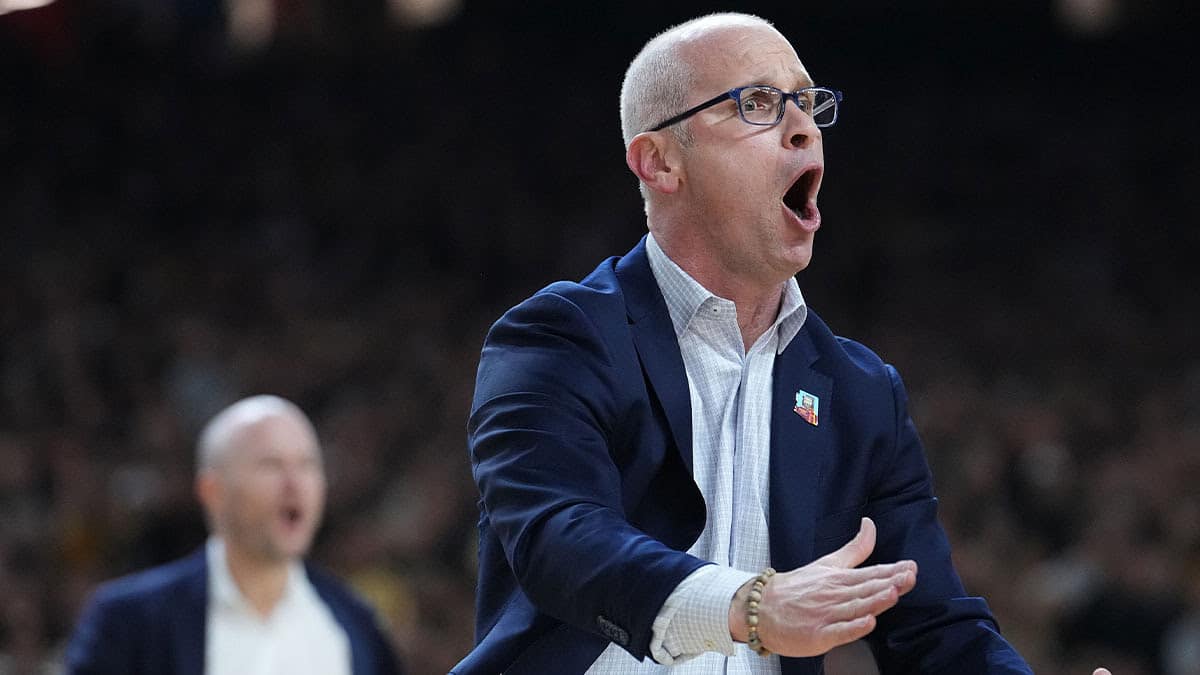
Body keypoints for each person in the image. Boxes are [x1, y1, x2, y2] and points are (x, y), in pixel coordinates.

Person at [453, 13, 1112, 675]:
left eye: (808, 102)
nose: (803, 126)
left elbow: (935, 626)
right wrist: (751, 606)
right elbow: (560, 539)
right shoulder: (560, 337)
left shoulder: (859, 391)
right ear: (661, 163)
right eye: (759, 103)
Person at [65, 395, 403, 675]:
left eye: (308, 464)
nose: (294, 484)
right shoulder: (131, 622)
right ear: (214, 491)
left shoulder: (356, 623)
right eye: (270, 465)